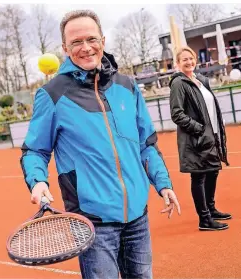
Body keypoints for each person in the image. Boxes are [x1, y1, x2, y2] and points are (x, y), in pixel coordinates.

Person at [20, 10, 181, 279]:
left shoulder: (128, 86)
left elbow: (147, 143)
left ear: (103, 41)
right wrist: (38, 181)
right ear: (65, 48)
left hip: (137, 216)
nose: (85, 48)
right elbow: (34, 150)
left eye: (91, 39)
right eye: (76, 42)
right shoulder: (52, 94)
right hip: (92, 221)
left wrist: (163, 184)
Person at [169, 46, 231, 231]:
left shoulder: (201, 80)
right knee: (199, 176)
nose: (189, 62)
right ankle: (204, 219)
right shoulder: (179, 83)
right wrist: (199, 129)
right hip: (194, 138)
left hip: (211, 134)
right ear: (178, 63)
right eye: (184, 60)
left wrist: (214, 128)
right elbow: (177, 114)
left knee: (213, 170)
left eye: (191, 58)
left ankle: (211, 209)